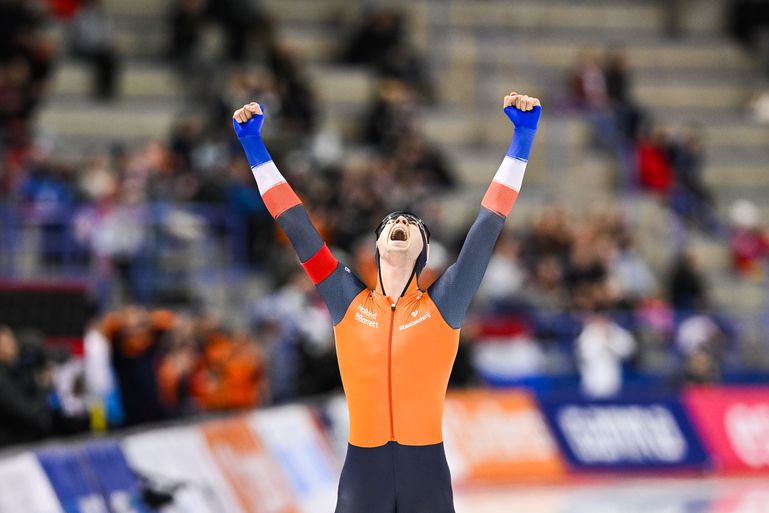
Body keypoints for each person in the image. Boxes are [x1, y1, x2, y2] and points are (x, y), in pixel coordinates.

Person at [233, 90, 541, 512]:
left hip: (425, 473)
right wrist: (253, 145)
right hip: (364, 473)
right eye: (391, 222)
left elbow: (488, 224)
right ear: (377, 243)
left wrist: (522, 140)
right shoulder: (346, 299)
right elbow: (295, 223)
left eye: (412, 223)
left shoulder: (444, 303)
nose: (400, 222)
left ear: (424, 249)